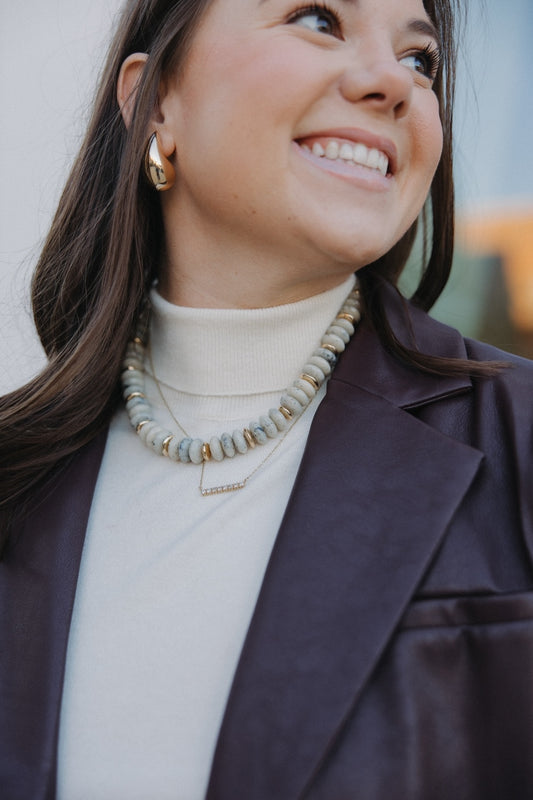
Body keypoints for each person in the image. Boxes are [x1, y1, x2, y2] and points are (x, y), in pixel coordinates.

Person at [1, 0, 532, 798]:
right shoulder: (16, 473)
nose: (394, 81)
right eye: (317, 20)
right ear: (158, 101)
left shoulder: (520, 439)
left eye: (421, 61)